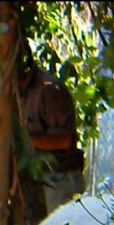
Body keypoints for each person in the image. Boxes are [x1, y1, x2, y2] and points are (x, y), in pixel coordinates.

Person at [17, 52, 86, 214]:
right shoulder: (18, 92)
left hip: (60, 179)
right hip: (40, 180)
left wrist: (23, 142)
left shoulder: (48, 90)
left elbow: (63, 141)